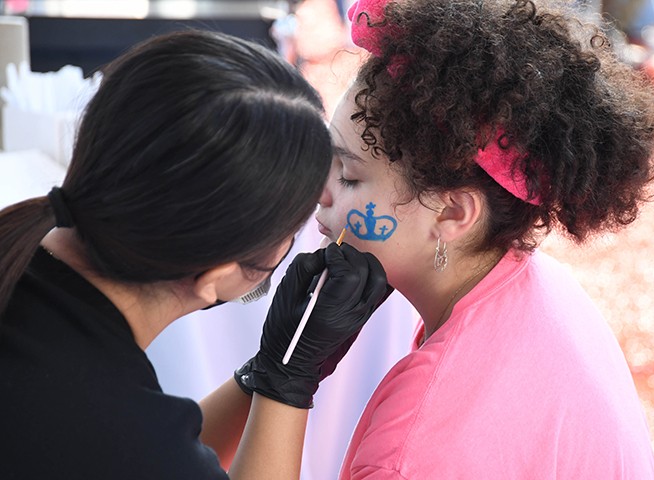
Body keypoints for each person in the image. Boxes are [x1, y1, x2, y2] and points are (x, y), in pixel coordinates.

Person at [0, 30, 390, 479]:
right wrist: (288, 382)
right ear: (216, 277)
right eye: (295, 220)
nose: (327, 199)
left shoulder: (27, 267)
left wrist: (268, 370)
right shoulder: (115, 431)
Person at [315, 0, 654, 477]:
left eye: (350, 177)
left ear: (454, 212)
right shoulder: (540, 284)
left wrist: (282, 383)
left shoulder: (415, 446)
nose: (321, 191)